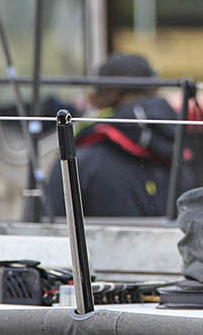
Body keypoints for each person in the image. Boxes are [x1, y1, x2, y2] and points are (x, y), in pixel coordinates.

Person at [43, 52, 194, 218]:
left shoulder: (78, 161)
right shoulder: (177, 152)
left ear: (98, 97)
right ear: (154, 90)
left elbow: (53, 226)